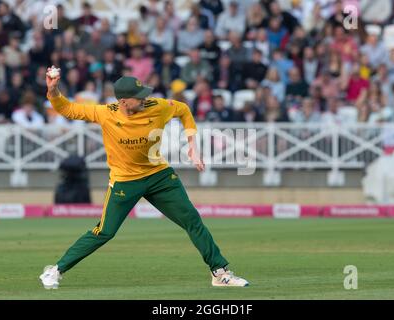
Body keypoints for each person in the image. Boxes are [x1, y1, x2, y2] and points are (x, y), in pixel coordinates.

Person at [39, 67, 249, 289]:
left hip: (158, 176)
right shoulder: (105, 113)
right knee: (104, 232)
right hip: (124, 181)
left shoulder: (157, 107)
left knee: (192, 220)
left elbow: (184, 110)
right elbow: (67, 108)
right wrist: (53, 90)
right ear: (124, 102)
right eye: (139, 97)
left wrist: (193, 147)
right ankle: (56, 269)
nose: (145, 99)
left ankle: (220, 273)